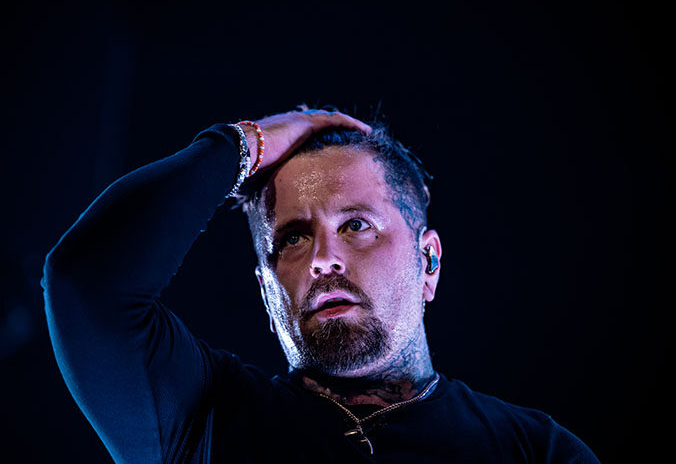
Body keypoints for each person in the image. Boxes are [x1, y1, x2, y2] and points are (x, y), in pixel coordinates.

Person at [42, 108, 599, 463]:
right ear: (266, 293)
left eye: (355, 226)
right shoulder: (201, 419)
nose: (322, 259)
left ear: (428, 261)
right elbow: (85, 281)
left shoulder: (536, 451)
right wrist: (242, 144)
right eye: (292, 239)